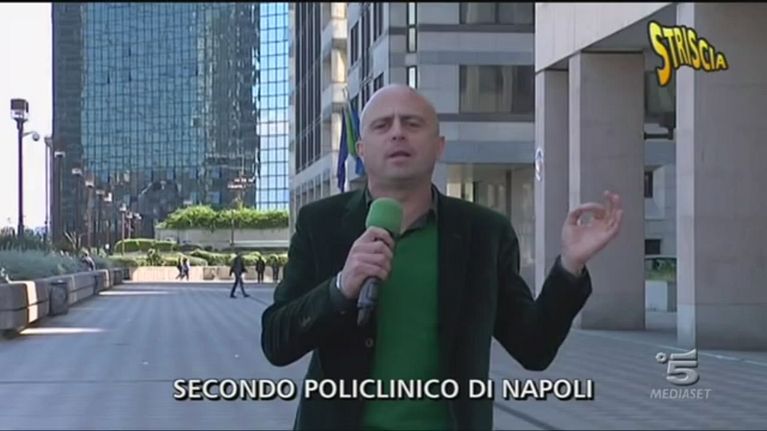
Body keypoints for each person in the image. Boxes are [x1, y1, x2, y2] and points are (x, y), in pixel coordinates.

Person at [260, 84, 623, 431]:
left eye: (412, 123)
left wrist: (569, 266)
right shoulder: (320, 224)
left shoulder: (484, 232)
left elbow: (534, 348)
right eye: (382, 125)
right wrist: (340, 288)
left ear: (439, 146)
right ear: (362, 149)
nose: (398, 133)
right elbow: (277, 341)